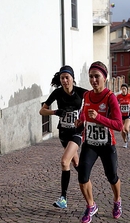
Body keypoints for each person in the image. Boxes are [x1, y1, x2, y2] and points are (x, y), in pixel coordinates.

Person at [75, 61, 123, 223]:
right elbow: (84, 112)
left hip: (107, 144)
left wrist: (99, 118)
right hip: (90, 143)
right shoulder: (87, 95)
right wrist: (81, 120)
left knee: (112, 176)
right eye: (91, 76)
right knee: (82, 176)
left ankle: (117, 200)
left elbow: (118, 124)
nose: (93, 80)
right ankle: (91, 205)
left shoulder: (110, 97)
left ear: (105, 77)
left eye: (97, 76)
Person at [39, 65, 88, 209]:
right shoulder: (57, 93)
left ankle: (63, 198)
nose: (65, 81)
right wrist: (55, 112)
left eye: (67, 77)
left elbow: (95, 99)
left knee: (64, 161)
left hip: (77, 132)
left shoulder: (81, 92)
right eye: (62, 78)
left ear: (73, 78)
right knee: (75, 162)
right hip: (63, 133)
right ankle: (86, 179)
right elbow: (42, 111)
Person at [117, 84, 130, 148]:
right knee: (122, 130)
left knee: (126, 128)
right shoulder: (118, 96)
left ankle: (128, 133)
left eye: (125, 89)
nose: (123, 90)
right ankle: (125, 142)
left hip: (128, 115)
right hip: (121, 115)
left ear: (127, 90)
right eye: (122, 89)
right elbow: (115, 103)